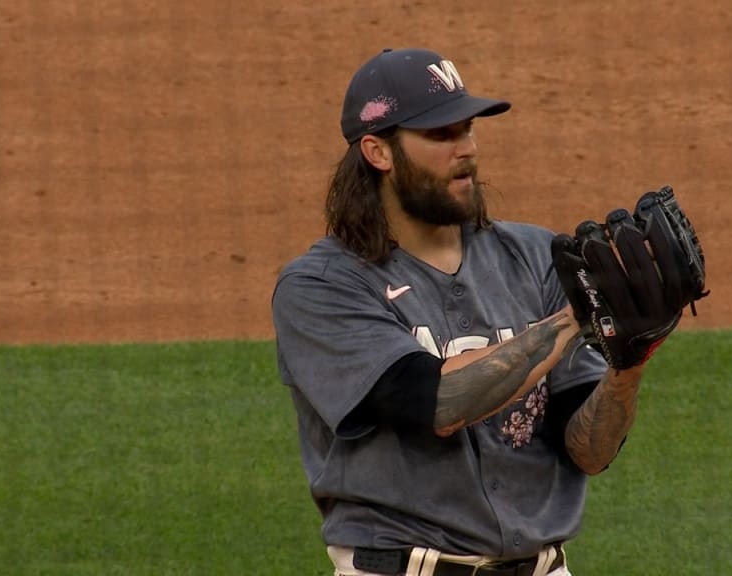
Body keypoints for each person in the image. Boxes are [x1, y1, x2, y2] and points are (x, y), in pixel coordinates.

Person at [271, 47, 661, 576]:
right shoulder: (322, 287)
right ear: (378, 151)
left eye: (467, 129)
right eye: (440, 135)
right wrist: (578, 317)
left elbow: (588, 451)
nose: (467, 150)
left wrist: (628, 363)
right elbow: (438, 401)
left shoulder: (535, 260)